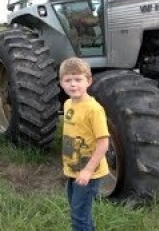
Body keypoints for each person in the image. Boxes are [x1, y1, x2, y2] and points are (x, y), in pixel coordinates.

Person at [59, 57, 109, 231]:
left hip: (89, 173)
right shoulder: (67, 104)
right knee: (78, 212)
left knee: (79, 217)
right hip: (74, 169)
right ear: (61, 83)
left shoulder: (93, 109)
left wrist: (87, 171)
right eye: (68, 80)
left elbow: (103, 144)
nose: (73, 84)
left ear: (88, 81)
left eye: (78, 79)